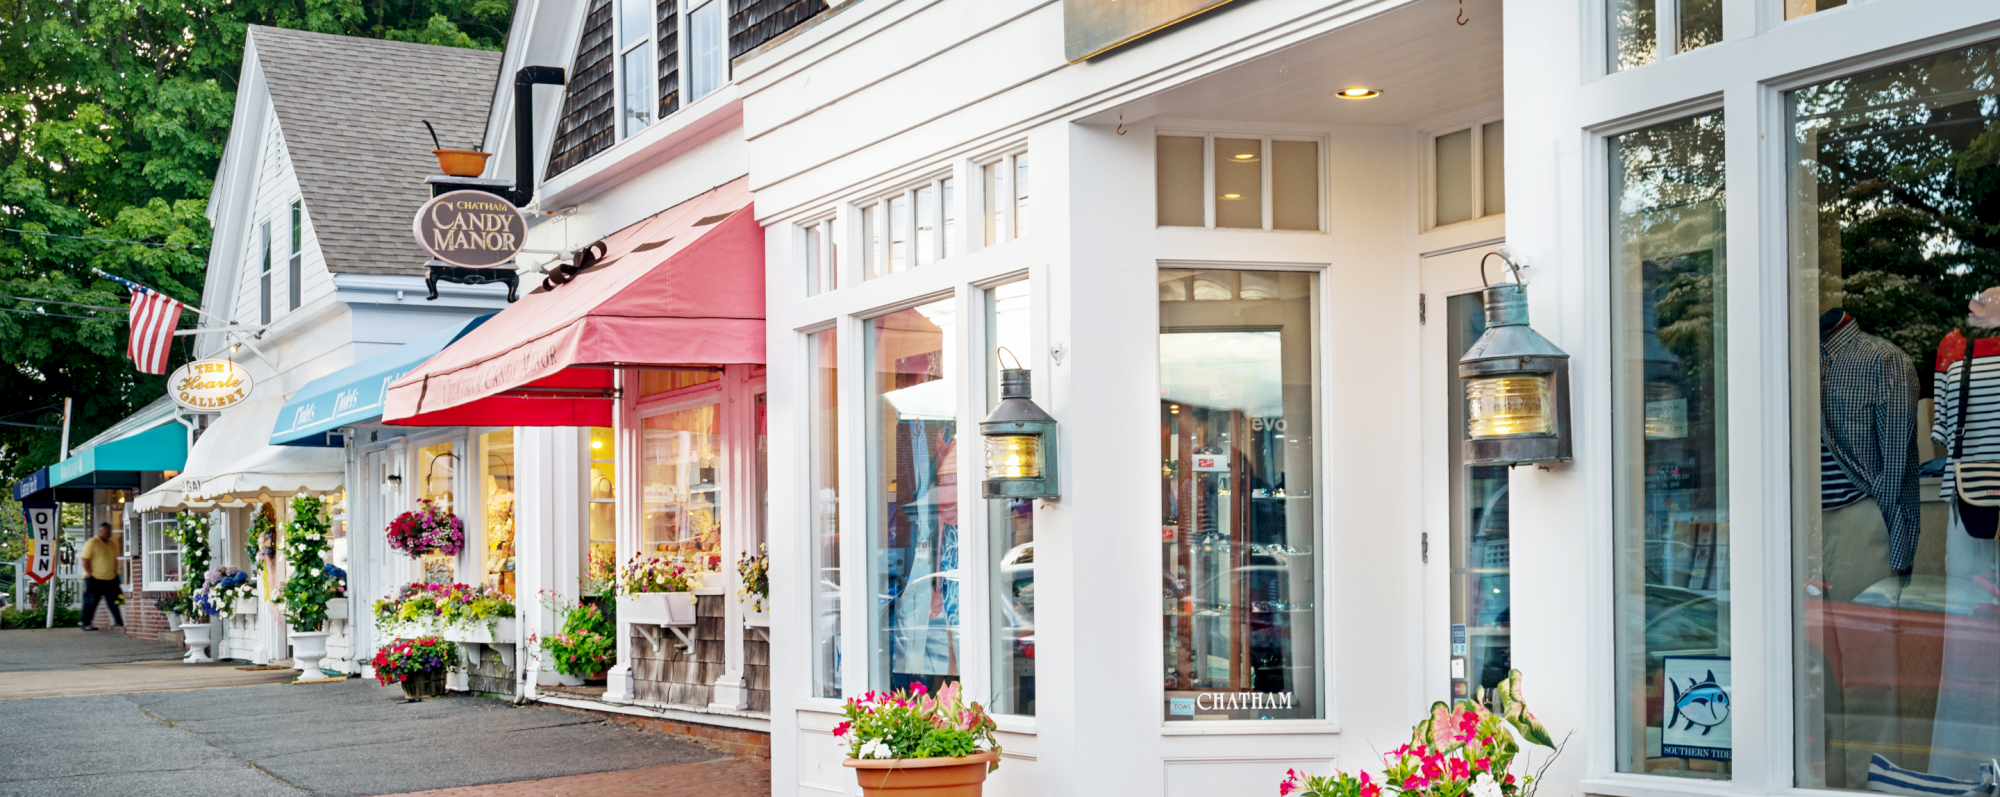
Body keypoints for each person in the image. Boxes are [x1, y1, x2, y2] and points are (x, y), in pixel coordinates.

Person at [79, 522, 123, 631]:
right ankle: (85, 623)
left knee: (115, 601)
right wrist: (89, 573)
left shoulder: (112, 543)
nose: (108, 534)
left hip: (111, 578)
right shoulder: (92, 542)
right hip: (95, 578)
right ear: (100, 532)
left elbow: (114, 560)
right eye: (106, 532)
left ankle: (119, 622)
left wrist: (115, 573)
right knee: (91, 601)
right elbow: (85, 559)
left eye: (109, 532)